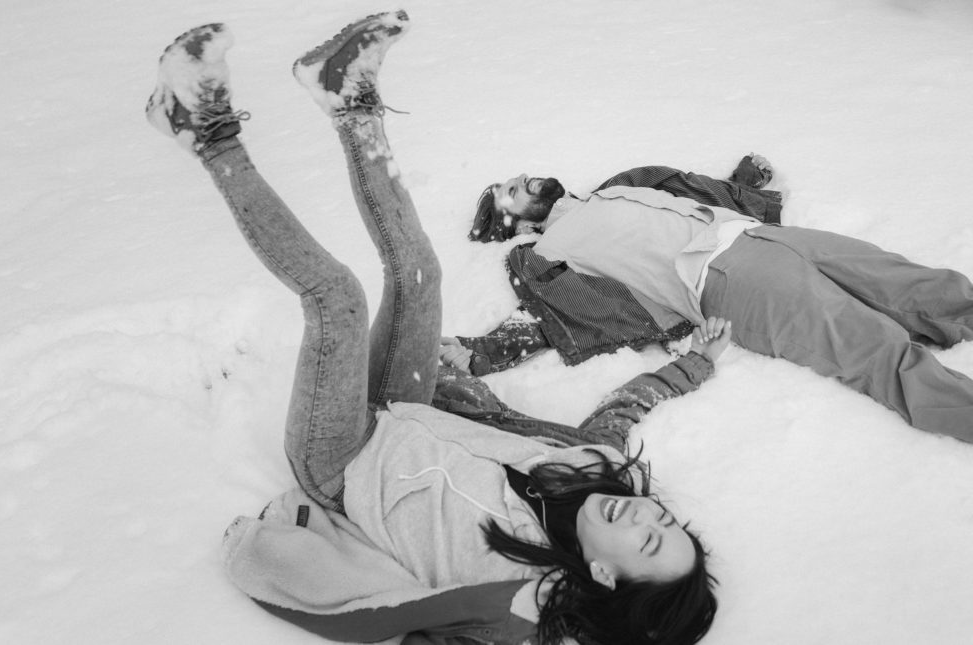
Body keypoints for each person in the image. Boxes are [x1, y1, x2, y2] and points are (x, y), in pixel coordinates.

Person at [146, 12, 730, 645]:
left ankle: (205, 132)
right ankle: (348, 98)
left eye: (648, 541)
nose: (648, 514)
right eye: (667, 522)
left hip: (343, 463)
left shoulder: (508, 603)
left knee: (336, 297)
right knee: (419, 270)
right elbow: (623, 409)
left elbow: (396, 622)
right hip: (405, 407)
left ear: (604, 577)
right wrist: (693, 365)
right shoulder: (594, 467)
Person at [448, 154, 973, 441]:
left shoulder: (610, 189)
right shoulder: (550, 254)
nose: (519, 178)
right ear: (512, 223)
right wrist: (478, 353)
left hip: (760, 237)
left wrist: (742, 185)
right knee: (871, 347)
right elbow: (551, 312)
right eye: (510, 191)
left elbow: (690, 194)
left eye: (512, 178)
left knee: (910, 283)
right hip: (728, 283)